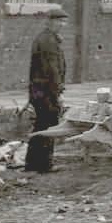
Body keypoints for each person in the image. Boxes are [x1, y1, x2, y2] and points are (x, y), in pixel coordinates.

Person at [25, 9, 68, 173]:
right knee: (49, 126)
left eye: (63, 22)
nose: (62, 25)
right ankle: (44, 165)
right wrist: (58, 94)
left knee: (41, 126)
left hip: (40, 91)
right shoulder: (48, 41)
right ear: (49, 22)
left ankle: (33, 164)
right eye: (59, 21)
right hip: (45, 92)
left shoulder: (47, 38)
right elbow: (52, 71)